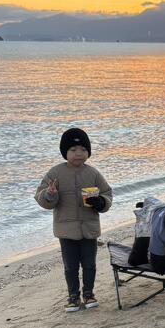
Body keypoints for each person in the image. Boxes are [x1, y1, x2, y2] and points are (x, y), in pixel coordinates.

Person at [35, 128, 113, 312]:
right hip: (66, 230)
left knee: (89, 265)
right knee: (70, 266)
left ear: (88, 152)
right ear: (65, 152)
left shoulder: (93, 173)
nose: (79, 153)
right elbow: (41, 198)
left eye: (83, 149)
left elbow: (107, 193)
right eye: (73, 149)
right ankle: (73, 296)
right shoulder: (55, 173)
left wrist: (100, 202)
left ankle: (89, 294)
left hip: (89, 229)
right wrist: (50, 194)